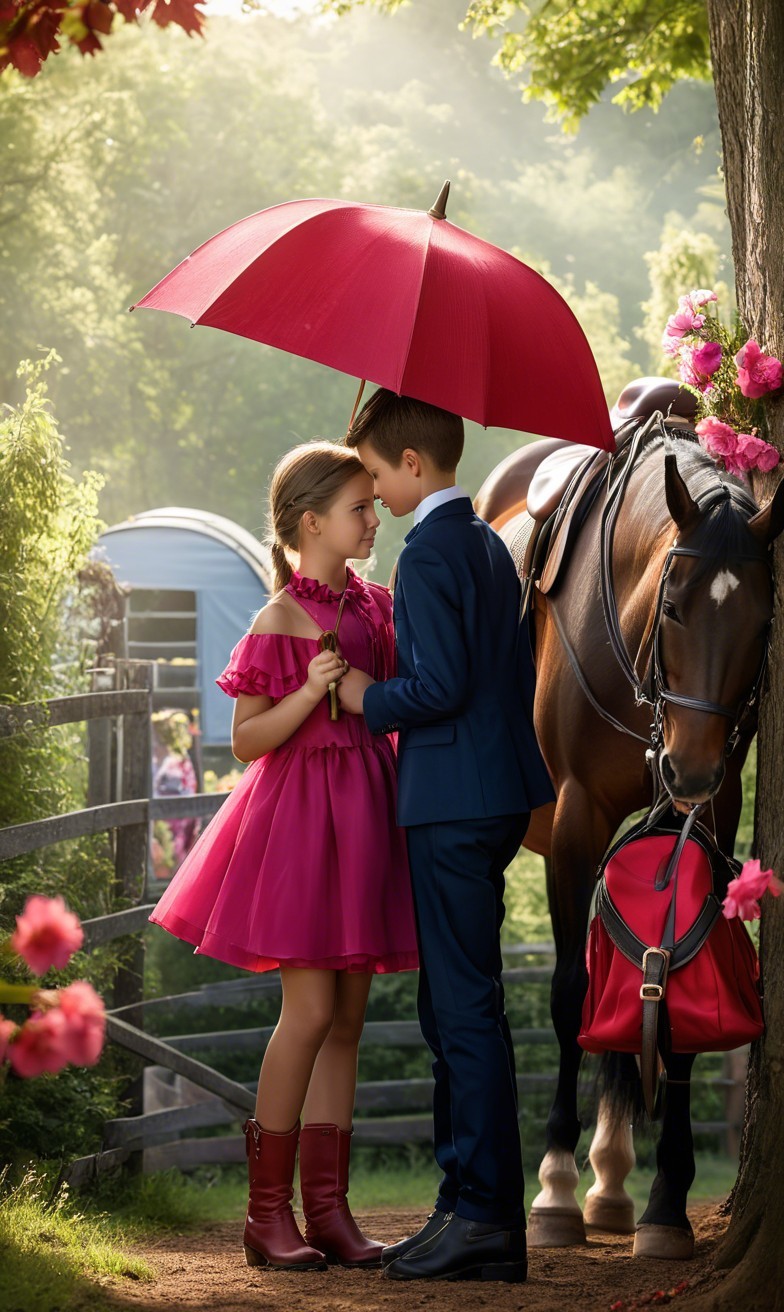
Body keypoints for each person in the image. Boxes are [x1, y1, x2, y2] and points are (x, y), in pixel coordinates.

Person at [150, 440, 418, 1273]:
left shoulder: (374, 607)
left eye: (374, 505)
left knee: (347, 1019)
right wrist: (310, 690)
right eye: (359, 509)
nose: (374, 519)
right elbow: (244, 740)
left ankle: (329, 1211)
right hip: (304, 830)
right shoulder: (280, 621)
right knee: (305, 1015)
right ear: (312, 522)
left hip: (367, 822)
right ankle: (266, 1216)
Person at [340, 390, 555, 1284]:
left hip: (452, 800)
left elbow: (440, 685)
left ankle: (486, 1217)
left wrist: (361, 696)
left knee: (462, 1010)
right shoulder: (487, 544)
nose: (376, 491)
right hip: (496, 791)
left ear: (413, 466)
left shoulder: (429, 550)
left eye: (379, 473)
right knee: (456, 1006)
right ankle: (462, 1199)